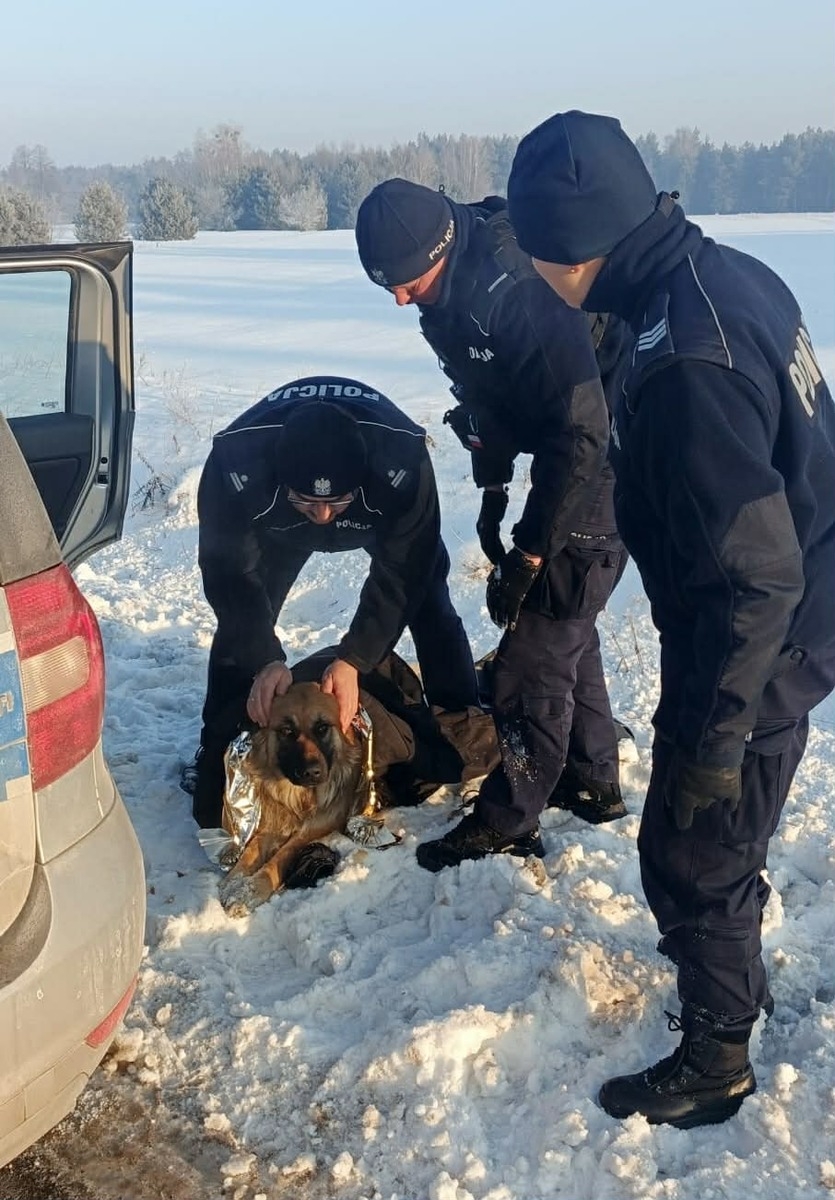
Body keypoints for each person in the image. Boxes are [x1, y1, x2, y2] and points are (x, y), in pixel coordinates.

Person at [506, 109, 835, 1129]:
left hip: (765, 631)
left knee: (692, 841)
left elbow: (755, 578)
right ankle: (734, 974)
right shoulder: (714, 272)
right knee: (714, 835)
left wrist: (717, 733)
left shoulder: (686, 357)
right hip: (790, 595)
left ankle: (718, 1058)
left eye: (533, 251)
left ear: (571, 248)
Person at [355, 178, 630, 873]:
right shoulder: (448, 290)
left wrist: (531, 551)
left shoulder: (521, 291)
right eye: (383, 284)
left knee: (532, 653)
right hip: (570, 442)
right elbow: (491, 394)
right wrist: (491, 478)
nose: (396, 297)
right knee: (567, 620)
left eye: (406, 281)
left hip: (610, 446)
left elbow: (582, 433)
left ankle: (510, 818)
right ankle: (592, 781)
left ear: (440, 250)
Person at [187, 374, 480, 828]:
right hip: (277, 525)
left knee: (431, 606)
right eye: (310, 502)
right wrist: (265, 657)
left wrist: (354, 660)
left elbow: (403, 575)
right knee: (242, 630)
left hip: (375, 517)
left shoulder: (401, 460)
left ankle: (461, 720)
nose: (323, 516)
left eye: (334, 502)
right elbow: (229, 577)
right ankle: (216, 743)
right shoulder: (236, 462)